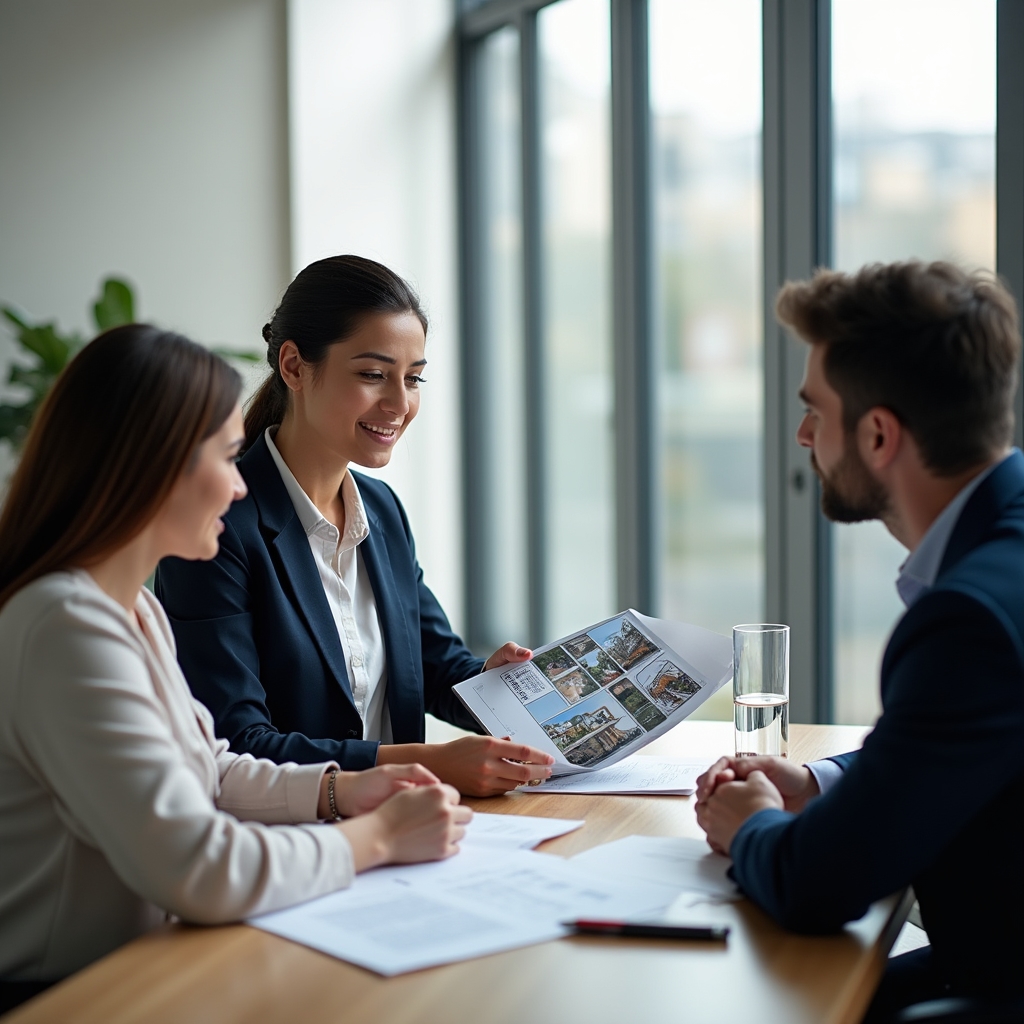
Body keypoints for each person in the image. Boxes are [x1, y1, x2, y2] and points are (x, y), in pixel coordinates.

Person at [0, 326, 470, 1005]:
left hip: (153, 968)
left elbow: (208, 769)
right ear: (151, 467)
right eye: (227, 457)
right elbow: (197, 866)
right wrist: (377, 839)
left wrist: (340, 791)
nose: (241, 487)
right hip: (69, 996)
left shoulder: (128, 607)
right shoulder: (64, 627)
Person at [694, 261, 1024, 1020]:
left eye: (815, 410)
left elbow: (819, 886)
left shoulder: (969, 616)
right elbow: (949, 741)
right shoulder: (997, 554)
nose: (803, 434)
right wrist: (817, 786)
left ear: (878, 434)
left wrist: (749, 825)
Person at [155, 256, 554, 796]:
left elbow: (433, 667)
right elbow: (237, 743)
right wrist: (427, 763)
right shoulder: (215, 529)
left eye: (413, 379)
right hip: (290, 842)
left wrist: (494, 681)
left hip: (407, 833)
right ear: (294, 367)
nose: (399, 403)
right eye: (372, 375)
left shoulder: (381, 509)